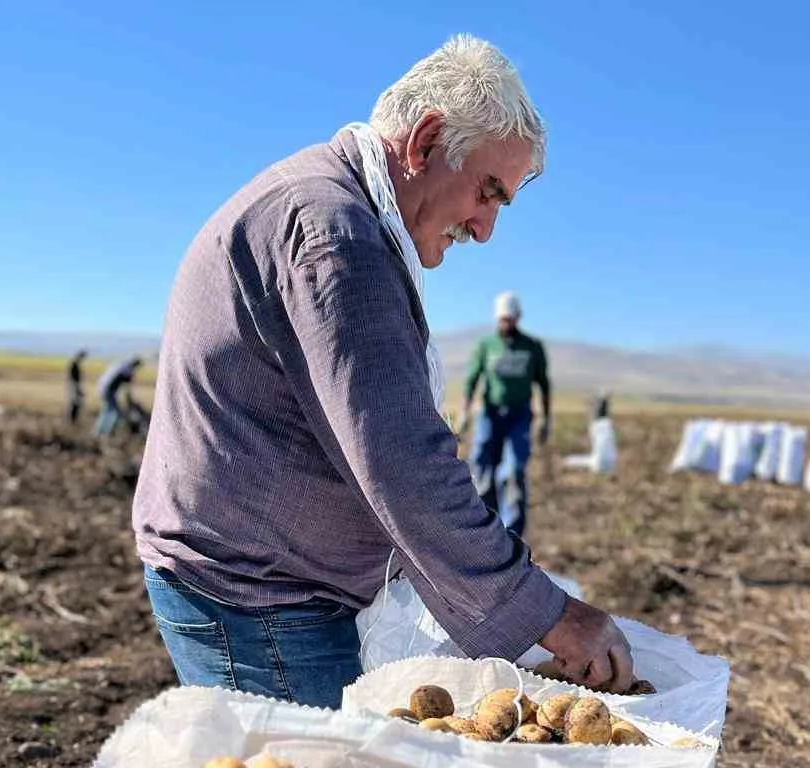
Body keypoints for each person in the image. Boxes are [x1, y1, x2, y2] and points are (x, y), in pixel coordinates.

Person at [132, 35, 634, 709]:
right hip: (259, 601)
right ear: (424, 142)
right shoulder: (332, 235)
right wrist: (551, 615)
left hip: (268, 586)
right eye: (488, 192)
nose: (485, 229)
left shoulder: (332, 209)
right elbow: (403, 462)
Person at [460, 291, 550, 539]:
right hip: (490, 413)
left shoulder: (531, 347)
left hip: (519, 415)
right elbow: (472, 379)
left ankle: (512, 535)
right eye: (502, 320)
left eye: (510, 320)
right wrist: (465, 412)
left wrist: (545, 417)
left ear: (518, 318)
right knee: (481, 464)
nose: (505, 325)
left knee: (512, 471)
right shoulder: (486, 346)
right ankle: (487, 526)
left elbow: (543, 384)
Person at [94, 355, 142, 438]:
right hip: (108, 390)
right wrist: (130, 400)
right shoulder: (127, 369)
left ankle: (99, 431)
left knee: (107, 411)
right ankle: (106, 433)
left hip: (103, 388)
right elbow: (127, 386)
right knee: (114, 412)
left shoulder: (122, 365)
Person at [64, 350, 87, 424]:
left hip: (73, 385)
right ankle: (71, 420)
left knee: (75, 403)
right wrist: (77, 388)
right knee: (75, 403)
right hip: (73, 386)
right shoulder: (74, 364)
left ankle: (72, 419)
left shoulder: (75, 364)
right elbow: (73, 378)